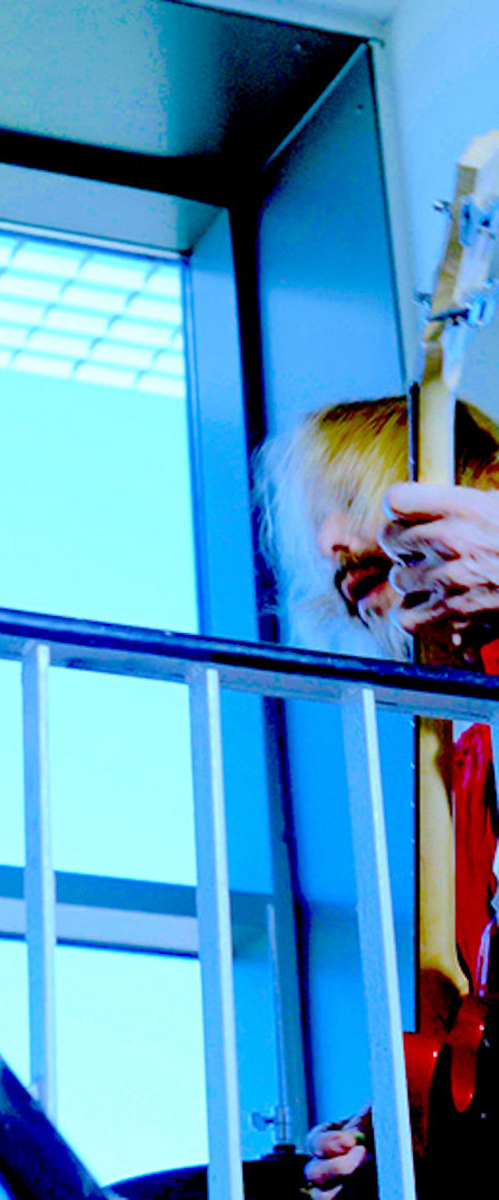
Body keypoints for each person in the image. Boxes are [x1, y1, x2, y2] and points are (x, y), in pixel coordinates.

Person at [259, 395, 499, 1198]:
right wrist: (411, 1127)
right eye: (316, 523)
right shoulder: (460, 743)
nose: (330, 540)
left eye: (352, 499)